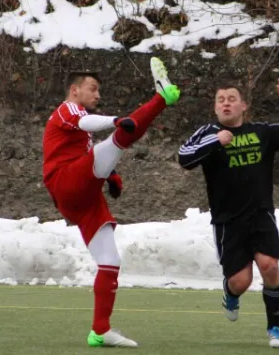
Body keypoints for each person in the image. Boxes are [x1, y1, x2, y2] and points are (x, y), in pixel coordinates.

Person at [42, 57, 180, 348]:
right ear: (74, 90)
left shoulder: (84, 131)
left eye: (98, 91)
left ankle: (100, 331)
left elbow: (90, 151)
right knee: (120, 138)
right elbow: (84, 122)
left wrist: (111, 175)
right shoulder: (68, 109)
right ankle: (161, 97)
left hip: (83, 198)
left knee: (110, 262)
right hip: (65, 182)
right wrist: (115, 120)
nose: (97, 95)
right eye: (92, 89)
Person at [178, 79, 279, 348]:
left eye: (232, 98)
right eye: (221, 99)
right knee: (241, 280)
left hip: (260, 215)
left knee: (270, 266)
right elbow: (184, 157)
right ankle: (230, 292)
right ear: (215, 107)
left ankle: (275, 329)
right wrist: (215, 142)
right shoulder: (208, 132)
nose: (226, 102)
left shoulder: (261, 132)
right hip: (228, 220)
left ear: (243, 106)